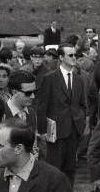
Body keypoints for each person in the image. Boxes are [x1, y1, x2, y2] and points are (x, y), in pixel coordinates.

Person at [36, 43, 89, 184]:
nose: (74, 58)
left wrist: (81, 121)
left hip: (74, 130)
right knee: (55, 168)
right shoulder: (49, 78)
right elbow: (42, 106)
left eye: (75, 55)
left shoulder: (79, 79)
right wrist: (42, 131)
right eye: (70, 55)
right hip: (55, 131)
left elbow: (82, 104)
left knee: (70, 169)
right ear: (61, 57)